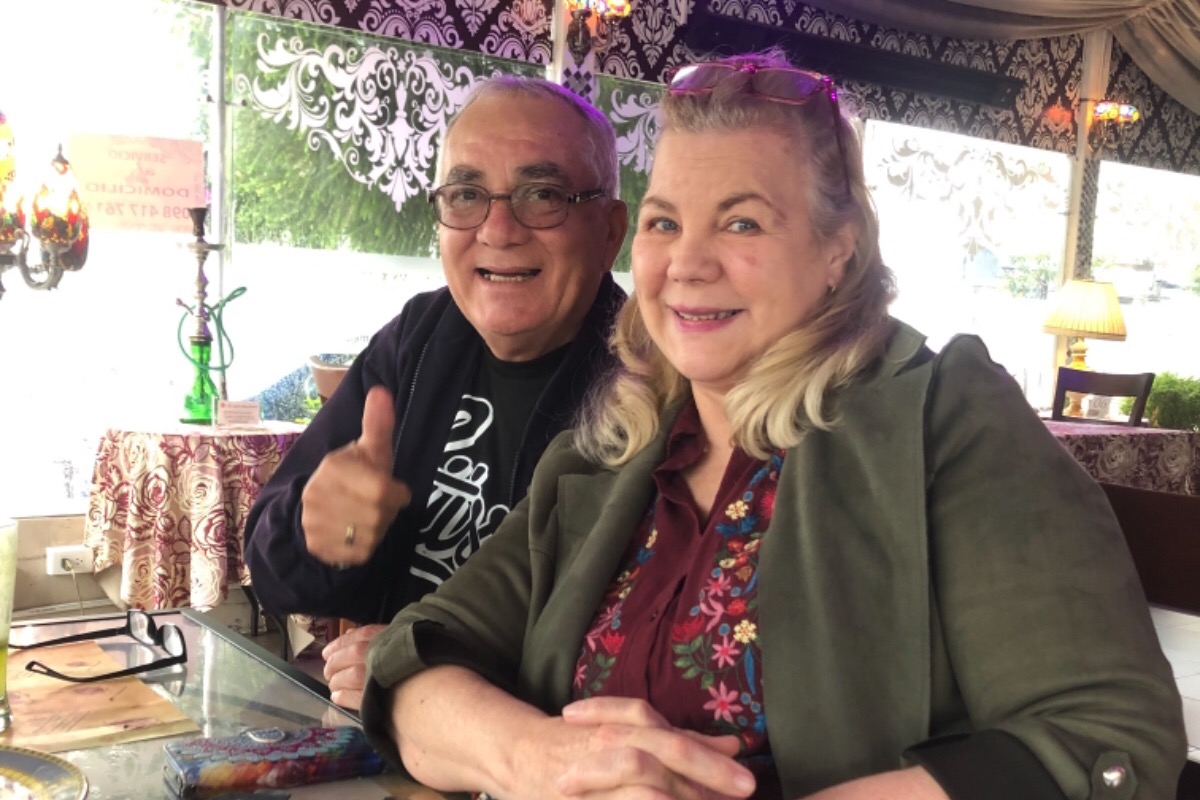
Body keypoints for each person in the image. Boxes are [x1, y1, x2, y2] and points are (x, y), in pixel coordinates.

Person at [358, 51, 1186, 799]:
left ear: (839, 251)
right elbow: (413, 662)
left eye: (742, 222)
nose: (687, 263)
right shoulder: (606, 455)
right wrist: (542, 761)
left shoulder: (944, 419)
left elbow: (1105, 740)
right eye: (664, 221)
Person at [243, 75, 629, 710]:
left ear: (610, 231)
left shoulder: (651, 386)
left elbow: (640, 653)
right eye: (466, 195)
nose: (498, 229)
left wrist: (421, 667)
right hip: (373, 730)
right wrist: (320, 537)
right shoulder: (419, 339)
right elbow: (274, 574)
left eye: (543, 194)